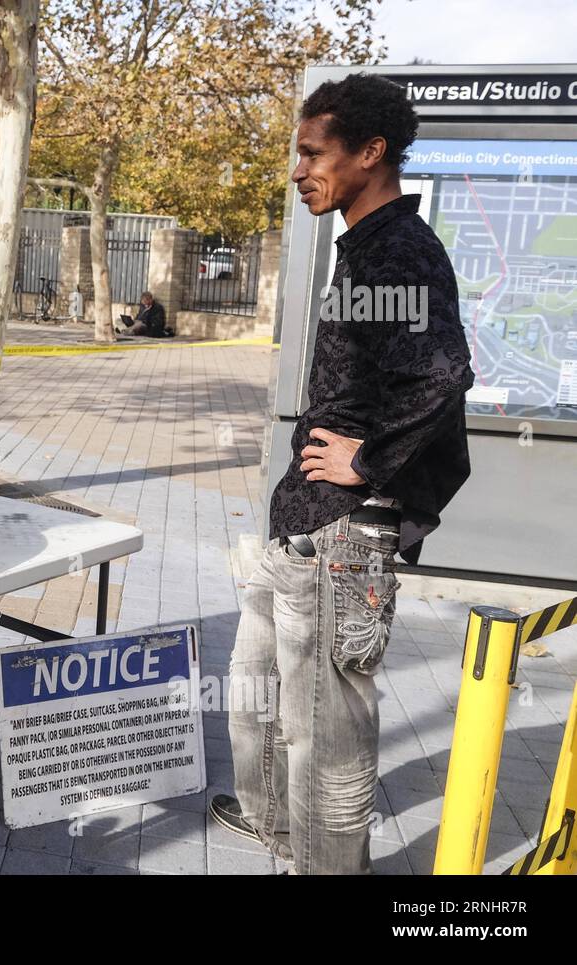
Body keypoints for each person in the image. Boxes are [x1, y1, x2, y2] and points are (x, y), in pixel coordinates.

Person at [209, 73, 474, 874]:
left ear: (370, 152)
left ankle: (325, 864)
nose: (298, 171)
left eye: (312, 154)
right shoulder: (364, 245)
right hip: (303, 525)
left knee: (326, 731)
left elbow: (440, 373)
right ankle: (278, 827)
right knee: (259, 701)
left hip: (342, 538)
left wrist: (369, 460)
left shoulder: (396, 251)